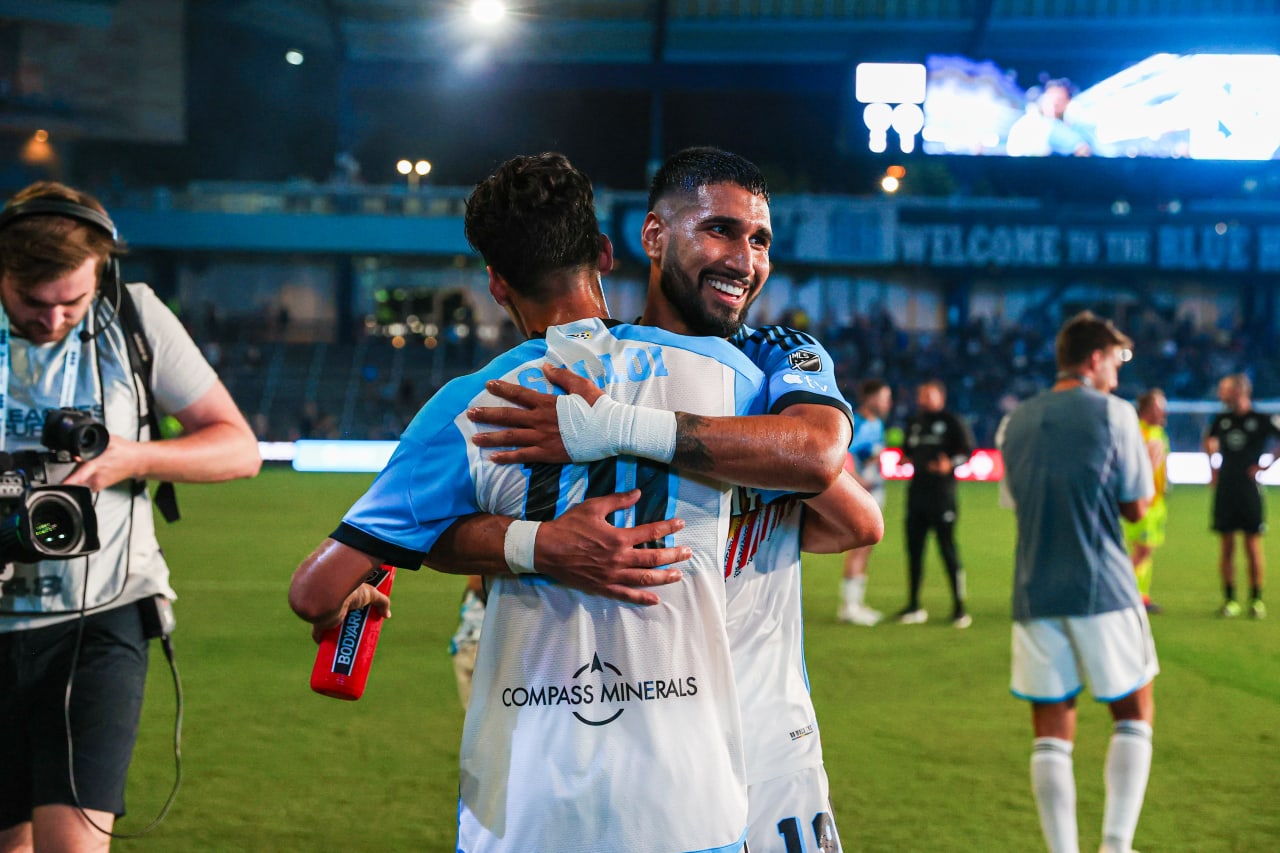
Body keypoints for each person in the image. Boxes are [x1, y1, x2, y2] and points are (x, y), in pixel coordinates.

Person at [469, 147, 879, 851]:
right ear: (653, 237)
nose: (744, 259)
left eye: (759, 240)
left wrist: (629, 432)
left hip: (772, 755)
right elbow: (487, 541)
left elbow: (832, 483)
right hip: (645, 761)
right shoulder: (596, 366)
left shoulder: (776, 357)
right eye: (719, 230)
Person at [0, 182, 261, 851]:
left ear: (101, 273)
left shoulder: (133, 314)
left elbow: (238, 447)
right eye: (33, 302)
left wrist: (131, 457)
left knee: (73, 842)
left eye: (72, 302)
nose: (54, 320)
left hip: (102, 612)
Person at [997, 311, 1157, 853]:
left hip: (1033, 591)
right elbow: (1137, 506)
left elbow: (1016, 502)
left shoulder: (1013, 423)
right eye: (1115, 359)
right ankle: (1115, 844)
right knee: (1135, 711)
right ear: (1094, 358)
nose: (1117, 371)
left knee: (1050, 729)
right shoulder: (1116, 413)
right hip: (1103, 587)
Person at [897, 378, 975, 627]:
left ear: (941, 397)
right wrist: (905, 459)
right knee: (914, 552)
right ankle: (913, 606)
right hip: (916, 495)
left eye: (930, 394)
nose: (924, 399)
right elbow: (907, 450)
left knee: (947, 550)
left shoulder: (952, 422)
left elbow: (967, 452)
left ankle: (960, 607)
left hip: (942, 496)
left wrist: (950, 464)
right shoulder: (914, 423)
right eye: (922, 394)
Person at [1204, 373, 1280, 619]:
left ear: (1239, 392)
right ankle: (1230, 600)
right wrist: (1212, 467)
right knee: (1226, 545)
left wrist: (1266, 466)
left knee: (1252, 544)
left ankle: (1256, 600)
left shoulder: (1261, 419)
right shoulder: (1222, 419)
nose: (1220, 395)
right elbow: (1208, 439)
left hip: (1249, 489)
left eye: (1224, 390)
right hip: (1226, 487)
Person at [838, 378, 893, 625]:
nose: (888, 403)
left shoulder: (878, 424)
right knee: (859, 546)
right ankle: (849, 606)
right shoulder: (856, 422)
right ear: (870, 398)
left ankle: (856, 603)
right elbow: (843, 455)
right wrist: (859, 480)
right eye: (884, 398)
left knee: (867, 547)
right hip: (861, 492)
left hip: (874, 491)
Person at [1122, 389, 1170, 614]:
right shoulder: (1137, 432)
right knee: (1142, 549)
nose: (1164, 411)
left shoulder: (1158, 432)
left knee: (1146, 551)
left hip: (1157, 501)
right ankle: (1120, 591)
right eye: (1160, 406)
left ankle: (1141, 596)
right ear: (1148, 409)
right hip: (1143, 500)